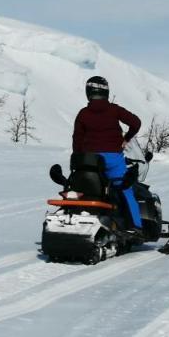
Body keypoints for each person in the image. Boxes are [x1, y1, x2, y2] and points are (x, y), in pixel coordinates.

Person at [72, 75, 142, 229]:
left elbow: (77, 140)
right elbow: (136, 123)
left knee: (86, 189)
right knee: (125, 188)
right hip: (112, 160)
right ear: (106, 92)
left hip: (89, 161)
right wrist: (127, 138)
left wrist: (79, 158)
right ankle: (135, 226)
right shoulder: (114, 110)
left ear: (88, 92)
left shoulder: (83, 113)